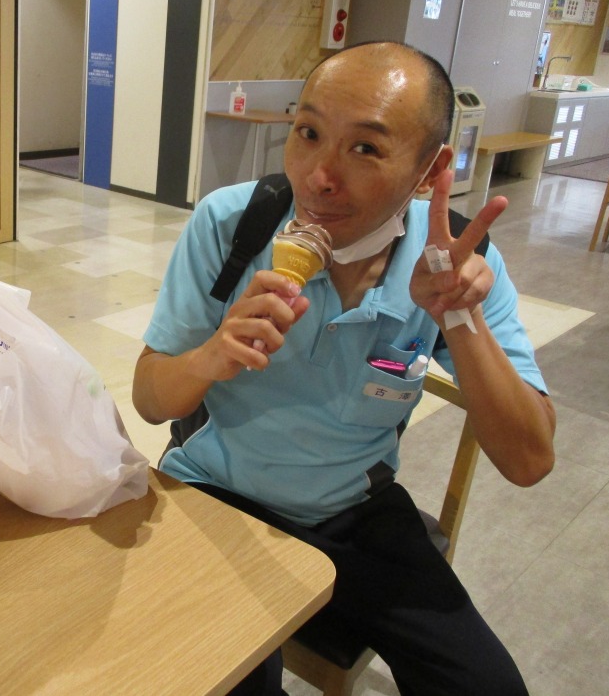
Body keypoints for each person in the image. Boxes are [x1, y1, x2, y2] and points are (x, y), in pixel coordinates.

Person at [132, 42, 556, 695]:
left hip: (355, 512)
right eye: (307, 134)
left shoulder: (455, 259)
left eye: (365, 148)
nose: (319, 177)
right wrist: (209, 356)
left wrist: (458, 317)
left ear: (430, 170)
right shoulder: (233, 225)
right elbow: (148, 398)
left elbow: (529, 461)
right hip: (217, 495)